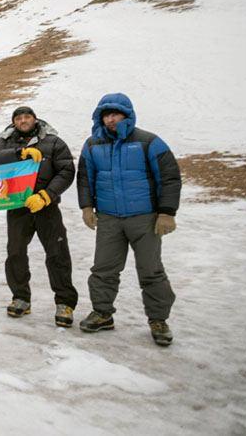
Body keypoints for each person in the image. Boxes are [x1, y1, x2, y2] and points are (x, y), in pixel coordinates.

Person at [77, 93, 181, 346]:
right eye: (106, 115)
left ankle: (158, 320)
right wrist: (87, 207)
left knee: (151, 270)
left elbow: (169, 178)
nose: (110, 120)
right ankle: (102, 313)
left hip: (144, 218)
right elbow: (85, 178)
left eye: (115, 114)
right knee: (103, 269)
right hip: (109, 219)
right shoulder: (92, 145)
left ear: (127, 115)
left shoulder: (149, 142)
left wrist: (167, 212)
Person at [0, 106, 77, 326]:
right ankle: (20, 298)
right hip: (17, 207)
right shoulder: (4, 142)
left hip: (46, 206)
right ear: (14, 122)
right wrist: (19, 153)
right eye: (18, 118)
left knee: (57, 253)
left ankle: (64, 303)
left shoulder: (53, 142)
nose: (23, 120)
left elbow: (66, 170)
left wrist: (47, 195)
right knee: (16, 252)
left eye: (27, 117)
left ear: (35, 119)